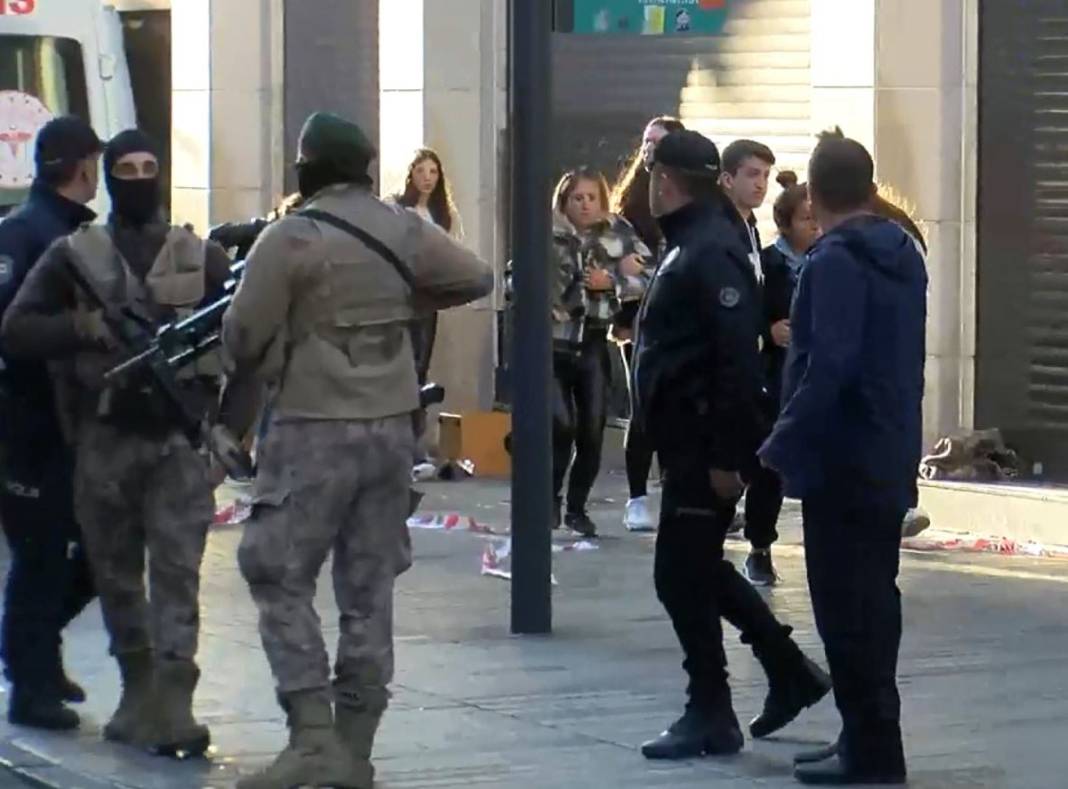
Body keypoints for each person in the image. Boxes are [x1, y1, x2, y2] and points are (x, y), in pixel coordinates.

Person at [223, 112, 493, 788]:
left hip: (313, 427)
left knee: (275, 571)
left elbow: (243, 337)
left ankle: (312, 737)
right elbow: (476, 276)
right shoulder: (402, 226)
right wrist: (403, 300)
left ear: (307, 168)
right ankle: (355, 747)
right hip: (392, 430)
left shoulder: (290, 237)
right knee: (368, 591)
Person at [1, 129, 237, 756]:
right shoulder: (77, 255)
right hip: (103, 440)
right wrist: (84, 327)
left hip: (177, 442)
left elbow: (250, 341)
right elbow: (18, 329)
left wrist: (229, 431)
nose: (139, 178)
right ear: (107, 177)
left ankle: (174, 701)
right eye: (126, 168)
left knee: (178, 574)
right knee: (116, 575)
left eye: (149, 166)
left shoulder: (199, 253)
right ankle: (138, 692)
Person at [634, 129, 830, 761]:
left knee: (679, 571)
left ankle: (714, 708)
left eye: (650, 176)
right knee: (692, 568)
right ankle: (785, 672)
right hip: (686, 439)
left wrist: (728, 455)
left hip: (703, 441)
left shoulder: (711, 246)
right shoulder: (694, 240)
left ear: (665, 179)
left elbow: (735, 363)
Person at [759, 133, 926, 785]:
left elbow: (829, 366)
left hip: (842, 458)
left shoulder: (832, 262)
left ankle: (874, 750)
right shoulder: (901, 251)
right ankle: (867, 733)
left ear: (814, 194)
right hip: (886, 450)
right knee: (873, 601)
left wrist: (781, 442)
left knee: (844, 607)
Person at [0, 116, 100, 730]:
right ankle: (30, 684)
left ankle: (32, 649)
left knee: (92, 554)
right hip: (29, 423)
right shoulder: (23, 235)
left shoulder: (78, 233)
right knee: (40, 557)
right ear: (82, 166)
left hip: (77, 426)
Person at [550, 167, 651, 538]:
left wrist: (613, 282)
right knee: (561, 426)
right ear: (565, 202)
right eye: (578, 198)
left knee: (592, 430)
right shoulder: (550, 234)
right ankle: (550, 498)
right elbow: (517, 277)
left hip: (594, 339)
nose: (586, 205)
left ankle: (577, 507)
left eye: (592, 197)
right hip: (554, 342)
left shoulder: (617, 232)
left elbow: (652, 274)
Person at [717, 138, 788, 585]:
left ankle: (758, 547)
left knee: (766, 460)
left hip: (753, 369)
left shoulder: (750, 230)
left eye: (765, 175)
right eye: (751, 174)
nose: (760, 184)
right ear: (727, 179)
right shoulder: (717, 233)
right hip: (726, 372)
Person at [610, 115, 684, 532]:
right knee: (644, 409)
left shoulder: (690, 199)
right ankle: (637, 498)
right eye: (645, 141)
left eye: (658, 142)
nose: (649, 148)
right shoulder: (630, 205)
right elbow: (623, 265)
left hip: (679, 317)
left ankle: (673, 485)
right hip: (636, 320)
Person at [391, 148, 464, 472]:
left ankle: (414, 449)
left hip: (427, 301)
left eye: (433, 172)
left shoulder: (443, 215)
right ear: (411, 175)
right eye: (421, 171)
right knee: (397, 371)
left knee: (419, 371)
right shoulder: (397, 209)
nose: (427, 178)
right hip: (400, 299)